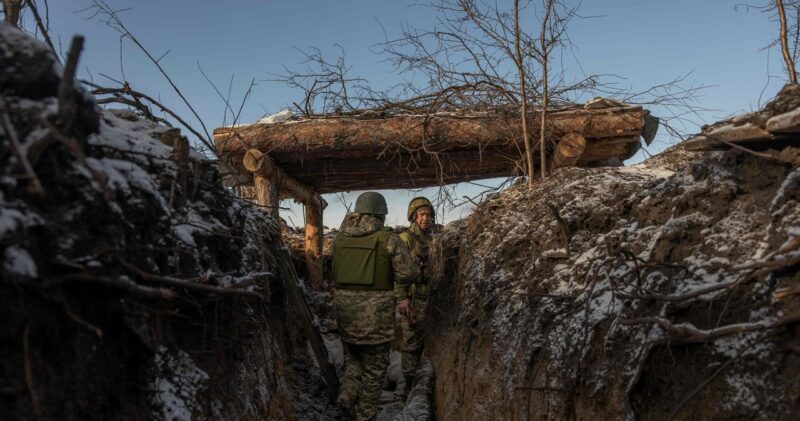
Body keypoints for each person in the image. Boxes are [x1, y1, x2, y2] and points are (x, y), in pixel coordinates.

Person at [332, 192, 418, 421]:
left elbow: (334, 273)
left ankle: (346, 394)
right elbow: (407, 274)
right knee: (374, 370)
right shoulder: (388, 239)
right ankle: (365, 415)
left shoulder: (339, 239)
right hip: (375, 320)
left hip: (346, 315)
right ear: (381, 213)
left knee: (354, 360)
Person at [396, 196, 435, 400]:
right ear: (414, 217)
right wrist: (402, 298)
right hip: (413, 298)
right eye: (421, 214)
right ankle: (408, 385)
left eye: (428, 214)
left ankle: (425, 381)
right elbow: (398, 271)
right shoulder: (405, 239)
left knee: (431, 339)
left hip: (432, 297)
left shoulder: (434, 238)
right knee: (411, 343)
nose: (425, 218)